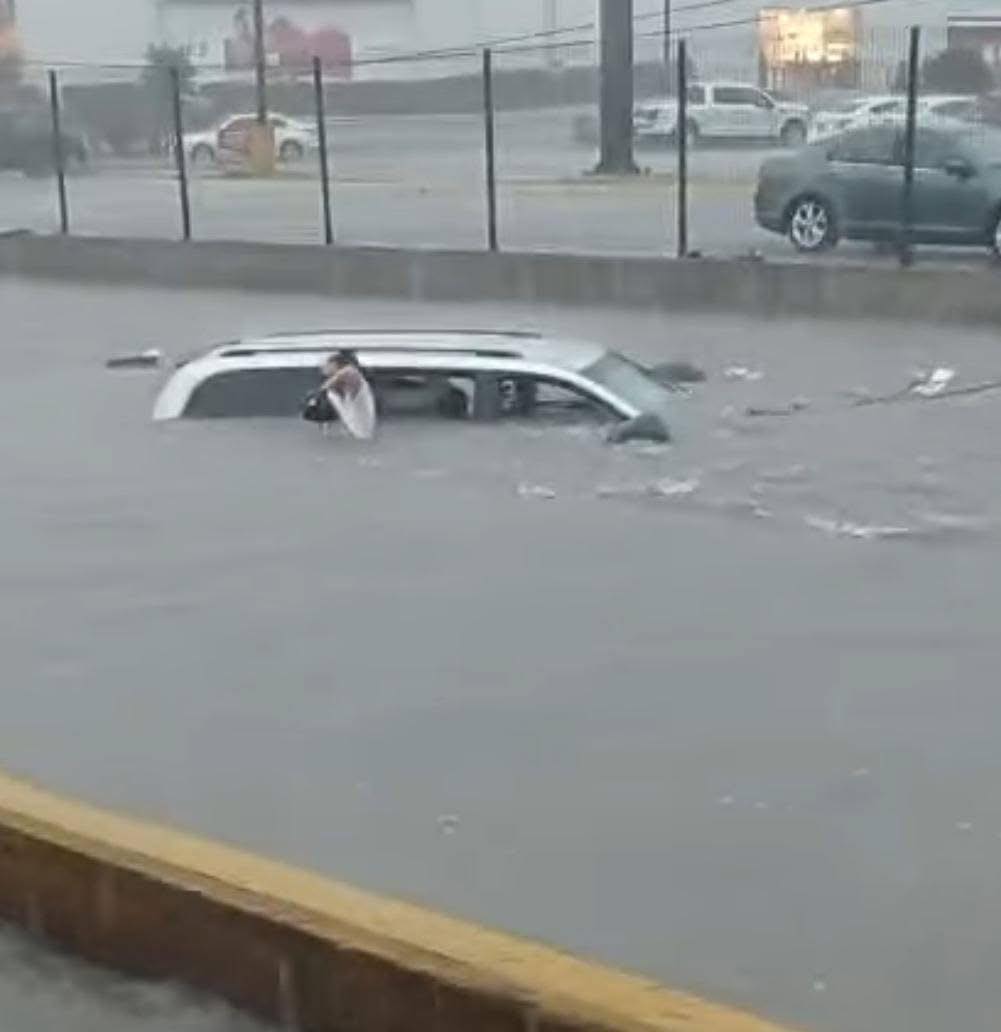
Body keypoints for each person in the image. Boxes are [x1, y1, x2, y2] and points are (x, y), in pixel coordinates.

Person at [321, 350, 377, 440]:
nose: (323, 367)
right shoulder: (337, 384)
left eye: (327, 365)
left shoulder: (350, 373)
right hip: (355, 428)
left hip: (360, 428)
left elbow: (348, 371)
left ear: (334, 364)